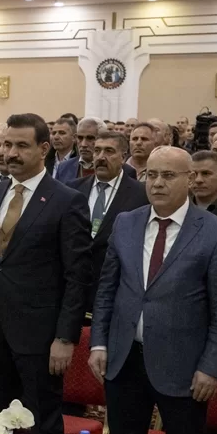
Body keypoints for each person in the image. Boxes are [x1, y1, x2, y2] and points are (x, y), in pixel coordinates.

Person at [89, 146, 217, 434]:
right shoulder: (126, 223)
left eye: (168, 175)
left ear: (190, 179)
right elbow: (107, 291)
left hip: (183, 366)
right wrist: (98, 342)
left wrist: (212, 368)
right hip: (125, 359)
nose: (157, 183)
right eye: (151, 174)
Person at [0, 113, 92, 434]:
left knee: (41, 421)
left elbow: (77, 276)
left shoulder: (66, 200)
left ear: (44, 149)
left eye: (21, 146)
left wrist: (65, 337)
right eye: (5, 145)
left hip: (40, 333)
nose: (10, 153)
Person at [73, 130, 149, 310]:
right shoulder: (73, 189)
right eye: (97, 151)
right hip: (76, 285)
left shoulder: (141, 194)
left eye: (109, 151)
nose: (101, 157)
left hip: (116, 287)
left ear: (123, 157)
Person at [55, 117, 101, 185]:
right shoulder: (64, 167)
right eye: (80, 138)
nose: (83, 144)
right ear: (75, 137)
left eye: (90, 138)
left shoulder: (110, 168)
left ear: (102, 139)